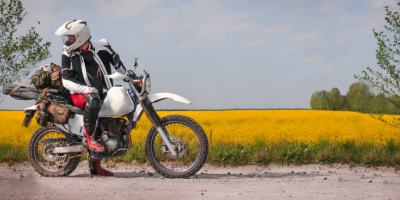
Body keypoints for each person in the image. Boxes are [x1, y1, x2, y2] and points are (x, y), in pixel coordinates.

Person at [55, 20, 127, 176]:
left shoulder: (103, 45)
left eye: (71, 37)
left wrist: (130, 77)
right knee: (93, 100)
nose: (68, 41)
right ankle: (91, 141)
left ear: (81, 36)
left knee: (105, 122)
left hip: (103, 93)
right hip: (77, 93)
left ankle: (96, 167)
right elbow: (66, 80)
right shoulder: (67, 53)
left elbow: (120, 67)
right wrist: (87, 89)